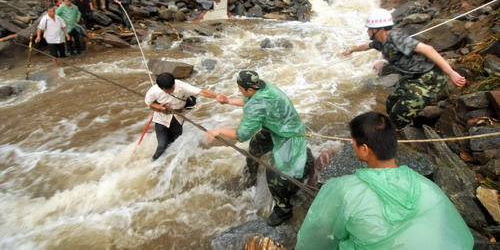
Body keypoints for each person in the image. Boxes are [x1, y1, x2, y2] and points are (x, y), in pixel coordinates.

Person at [295, 111, 474, 249]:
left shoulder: (344, 190)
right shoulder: (427, 185)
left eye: (353, 143)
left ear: (364, 149)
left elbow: (314, 239)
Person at [206, 70, 314, 226]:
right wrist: (228, 102)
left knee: (275, 173)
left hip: (289, 134)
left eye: (240, 88)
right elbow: (249, 100)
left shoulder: (258, 104)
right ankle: (252, 175)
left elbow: (241, 134)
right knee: (255, 146)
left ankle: (284, 210)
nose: (238, 91)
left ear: (249, 89)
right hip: (275, 128)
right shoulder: (262, 87)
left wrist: (218, 131)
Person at [342, 9, 466, 129]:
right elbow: (366, 46)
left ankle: (396, 131)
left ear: (379, 29)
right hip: (413, 77)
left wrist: (451, 73)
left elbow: (428, 49)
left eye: (369, 28)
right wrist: (351, 50)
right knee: (391, 102)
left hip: (430, 77)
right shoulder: (381, 41)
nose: (368, 31)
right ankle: (404, 124)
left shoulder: (397, 39)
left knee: (400, 114)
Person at [145, 72, 219, 161]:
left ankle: (166, 163)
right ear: (161, 88)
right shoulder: (154, 91)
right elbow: (149, 103)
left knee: (174, 144)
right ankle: (153, 163)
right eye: (167, 91)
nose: (170, 91)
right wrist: (159, 107)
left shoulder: (183, 87)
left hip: (178, 119)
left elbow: (202, 92)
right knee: (162, 145)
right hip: (161, 119)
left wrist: (218, 96)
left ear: (174, 83)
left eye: (172, 88)